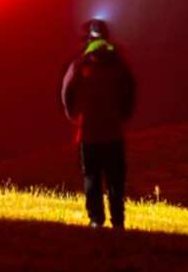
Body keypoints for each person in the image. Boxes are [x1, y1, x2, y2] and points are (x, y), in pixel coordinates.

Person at [61, 19, 136, 229]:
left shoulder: (80, 64)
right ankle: (118, 221)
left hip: (89, 131)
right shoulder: (119, 64)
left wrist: (74, 116)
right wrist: (122, 116)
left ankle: (96, 219)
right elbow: (130, 92)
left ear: (87, 39)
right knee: (115, 179)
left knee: (92, 177)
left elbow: (67, 93)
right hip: (114, 131)